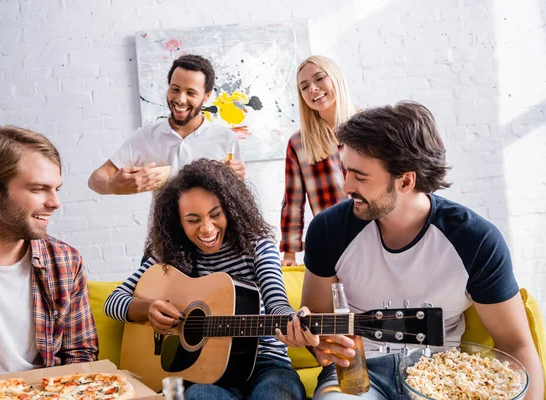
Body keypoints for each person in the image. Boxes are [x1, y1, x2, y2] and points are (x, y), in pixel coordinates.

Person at [284, 102, 544, 399]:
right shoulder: (328, 230)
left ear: (406, 180)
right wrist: (317, 342)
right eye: (346, 171)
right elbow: (318, 322)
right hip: (356, 371)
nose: (345, 186)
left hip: (444, 375)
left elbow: (515, 344)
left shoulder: (475, 240)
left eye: (360, 176)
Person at [104, 159, 313, 400]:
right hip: (204, 374)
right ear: (178, 222)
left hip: (267, 364)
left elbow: (276, 302)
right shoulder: (172, 256)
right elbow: (113, 301)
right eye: (193, 220)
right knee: (198, 396)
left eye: (215, 215)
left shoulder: (257, 248)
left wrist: (293, 322)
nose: (206, 229)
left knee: (276, 394)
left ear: (231, 210)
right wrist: (148, 308)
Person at [0, 125, 98, 399]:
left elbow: (81, 356)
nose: (55, 202)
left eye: (56, 189)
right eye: (39, 189)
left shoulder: (65, 262)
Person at [88, 54, 245, 197]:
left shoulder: (225, 139)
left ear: (207, 96)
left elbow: (237, 196)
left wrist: (236, 182)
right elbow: (95, 179)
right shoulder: (146, 136)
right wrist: (111, 185)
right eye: (175, 89)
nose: (180, 99)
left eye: (191, 93)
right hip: (164, 228)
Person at [280, 55, 357, 266]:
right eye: (304, 87)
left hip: (377, 235)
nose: (312, 89)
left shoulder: (371, 125)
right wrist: (289, 253)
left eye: (319, 79)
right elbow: (293, 202)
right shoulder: (298, 143)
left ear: (335, 78)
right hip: (332, 243)